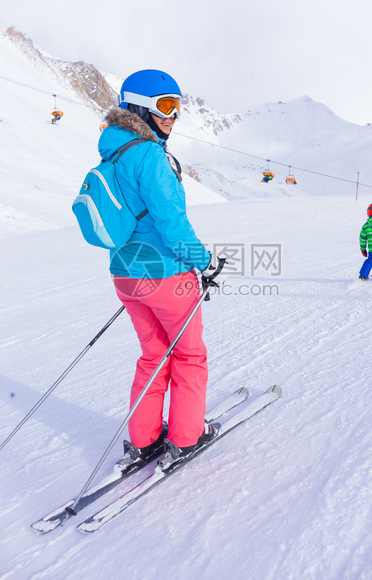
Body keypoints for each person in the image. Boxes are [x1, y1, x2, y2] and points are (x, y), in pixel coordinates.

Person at [98, 69, 224, 470]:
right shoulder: (150, 154)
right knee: (189, 355)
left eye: (178, 106)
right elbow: (172, 224)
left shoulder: (113, 152)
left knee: (154, 355)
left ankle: (144, 440)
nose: (173, 116)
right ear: (140, 106)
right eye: (165, 106)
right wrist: (206, 262)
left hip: (126, 275)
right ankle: (187, 438)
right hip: (167, 275)